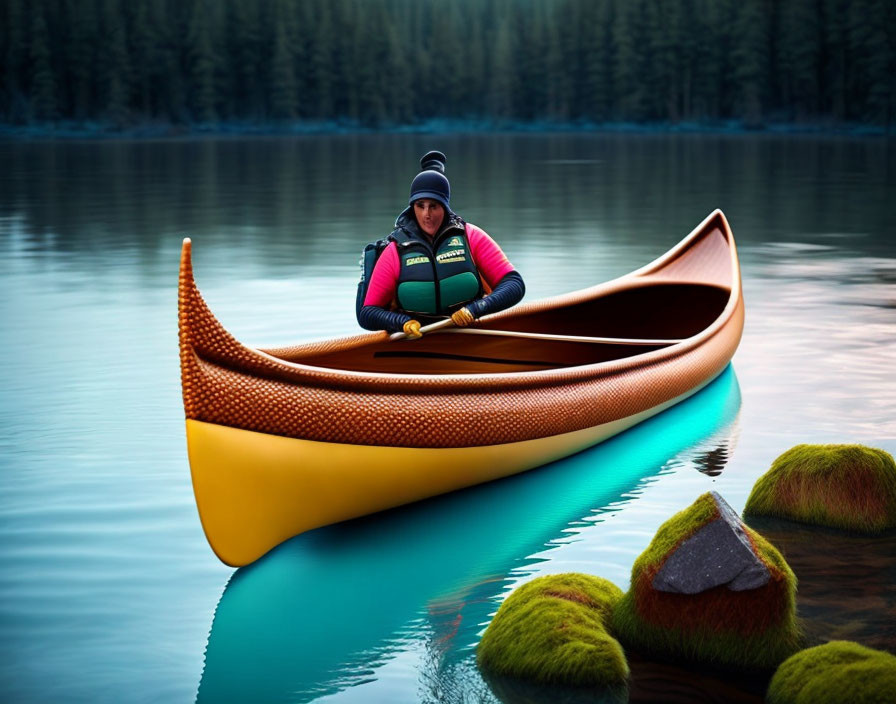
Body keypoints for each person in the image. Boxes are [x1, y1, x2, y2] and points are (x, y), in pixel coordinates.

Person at [357, 151, 525, 339]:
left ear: (445, 207)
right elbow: (367, 313)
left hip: (471, 335)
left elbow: (514, 284)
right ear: (412, 207)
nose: (426, 214)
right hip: (417, 344)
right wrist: (402, 323)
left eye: (433, 206)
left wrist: (475, 309)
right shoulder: (395, 251)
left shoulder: (471, 237)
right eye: (420, 205)